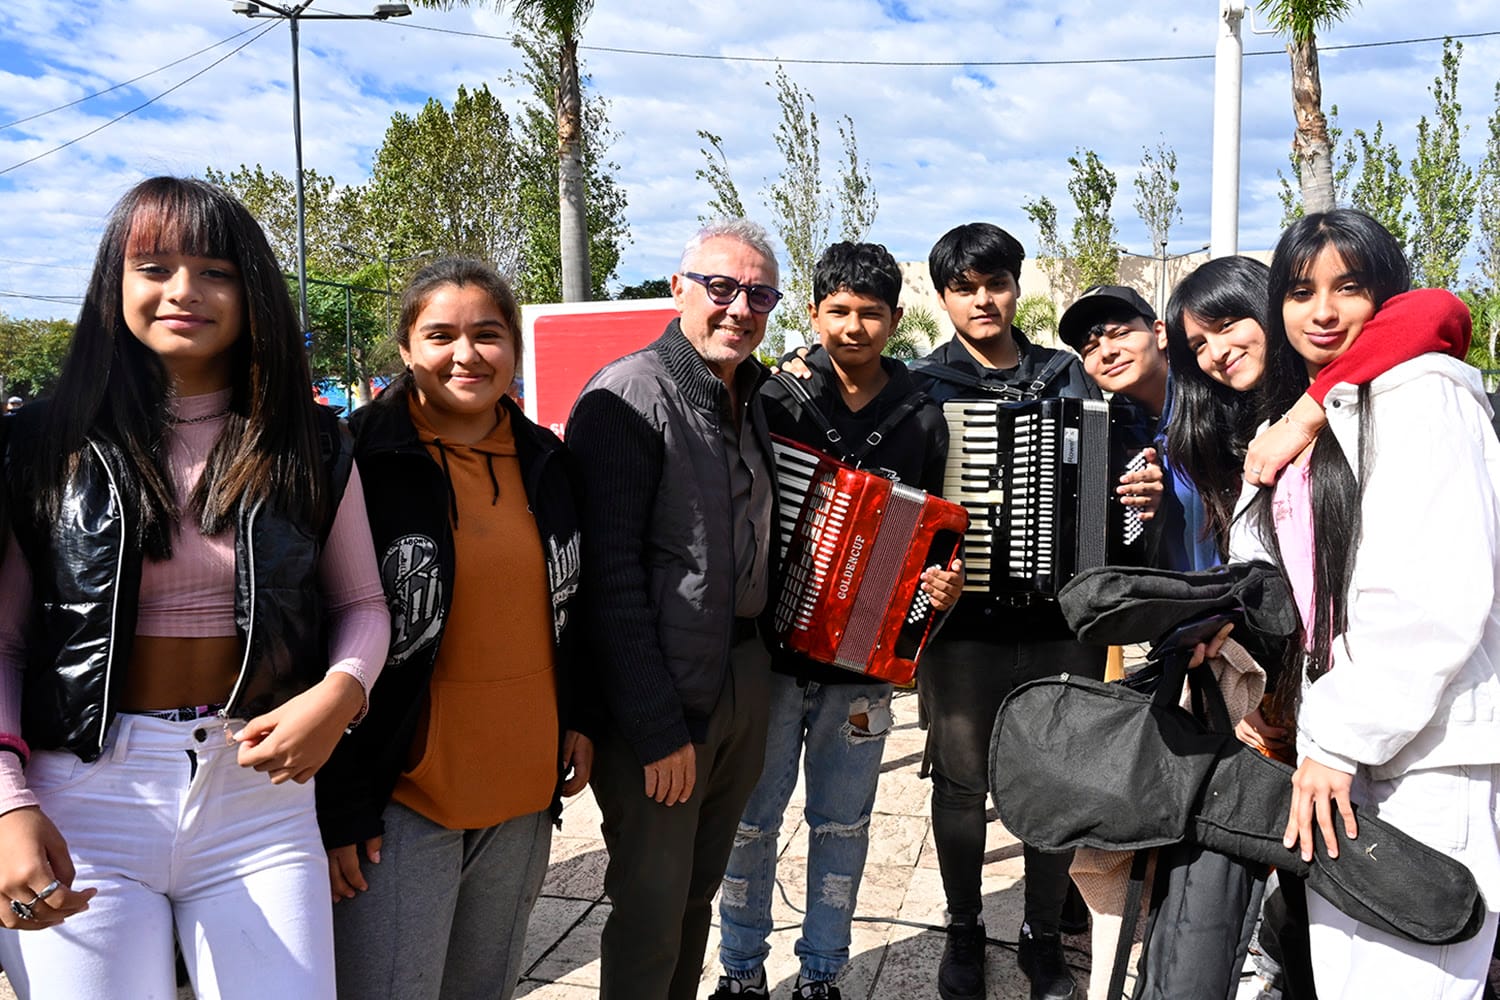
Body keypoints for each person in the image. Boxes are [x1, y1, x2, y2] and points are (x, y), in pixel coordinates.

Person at [0, 176, 389, 998]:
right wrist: (6, 803)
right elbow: (2, 643)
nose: (184, 291)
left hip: (258, 798)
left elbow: (363, 605)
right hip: (83, 798)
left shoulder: (311, 439)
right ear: (115, 285)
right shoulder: (39, 442)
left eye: (215, 269)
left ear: (253, 294)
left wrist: (341, 694)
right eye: (154, 267)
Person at [1229, 209, 1500, 998]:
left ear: (1386, 297)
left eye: (1350, 288)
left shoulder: (1423, 394)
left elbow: (1431, 593)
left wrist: (1341, 737)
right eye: (1299, 290)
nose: (1321, 311)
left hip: (1426, 749)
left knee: (1411, 977)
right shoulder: (1327, 408)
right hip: (1350, 741)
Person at [315, 258, 595, 1000]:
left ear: (515, 349)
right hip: (399, 797)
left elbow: (573, 609)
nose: (466, 354)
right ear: (405, 348)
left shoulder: (548, 461)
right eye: (440, 334)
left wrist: (577, 720)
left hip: (522, 792)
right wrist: (338, 803)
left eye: (488, 334)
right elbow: (321, 641)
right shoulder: (352, 462)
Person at [908, 223, 1156, 1000]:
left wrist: (1135, 499)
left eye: (997, 283)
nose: (983, 299)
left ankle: (1043, 935)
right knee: (959, 784)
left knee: (1058, 780)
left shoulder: (1068, 376)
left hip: (1061, 622)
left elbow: (1119, 476)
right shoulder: (922, 384)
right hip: (964, 628)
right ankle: (963, 930)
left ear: (1018, 287)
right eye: (964, 287)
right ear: (945, 296)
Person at [711, 242, 962, 1000]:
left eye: (872, 313)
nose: (855, 327)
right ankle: (741, 971)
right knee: (750, 824)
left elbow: (936, 530)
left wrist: (937, 588)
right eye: (840, 311)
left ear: (894, 318)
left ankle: (823, 973)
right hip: (770, 657)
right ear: (814, 313)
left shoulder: (921, 412)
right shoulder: (774, 396)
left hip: (861, 667)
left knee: (843, 823)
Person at [566, 219, 781, 1000]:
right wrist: (657, 727)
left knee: (696, 895)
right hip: (659, 699)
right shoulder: (628, 395)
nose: (739, 307)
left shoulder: (747, 395)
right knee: (653, 912)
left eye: (759, 293)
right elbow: (605, 579)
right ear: (678, 289)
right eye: (721, 287)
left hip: (740, 677)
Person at [1057, 283, 1207, 573]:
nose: (1108, 352)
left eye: (1121, 334)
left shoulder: (1212, 392)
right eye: (1090, 348)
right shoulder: (1108, 431)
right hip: (1176, 603)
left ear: (1159, 333)